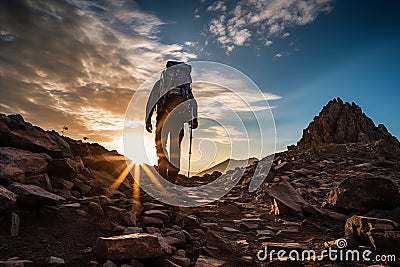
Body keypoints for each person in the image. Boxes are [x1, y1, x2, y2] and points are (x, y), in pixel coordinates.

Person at [145, 61, 198, 182]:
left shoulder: (161, 84)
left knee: (161, 145)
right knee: (175, 148)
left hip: (162, 118)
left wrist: (147, 119)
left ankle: (163, 172)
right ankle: (172, 177)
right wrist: (194, 120)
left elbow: (151, 101)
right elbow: (193, 102)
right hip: (178, 119)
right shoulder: (184, 86)